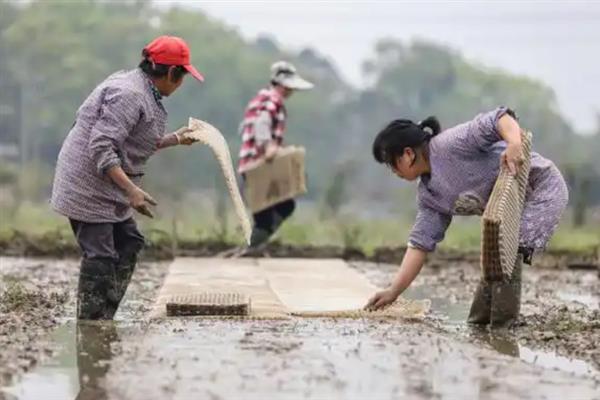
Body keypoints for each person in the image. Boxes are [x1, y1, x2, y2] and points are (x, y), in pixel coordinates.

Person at [365, 107, 568, 326]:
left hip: (540, 188)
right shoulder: (429, 195)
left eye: (390, 163)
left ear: (408, 154)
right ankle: (478, 324)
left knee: (507, 252)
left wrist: (514, 144)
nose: (392, 171)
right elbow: (419, 244)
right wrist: (393, 291)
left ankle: (503, 327)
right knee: (496, 255)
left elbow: (500, 118)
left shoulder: (453, 143)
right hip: (508, 212)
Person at [51, 36, 203, 320]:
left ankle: (105, 315)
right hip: (87, 184)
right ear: (171, 73)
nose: (181, 84)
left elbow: (132, 138)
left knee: (130, 241)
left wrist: (175, 139)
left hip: (108, 181)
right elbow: (101, 145)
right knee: (101, 255)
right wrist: (132, 190)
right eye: (182, 76)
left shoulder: (143, 89)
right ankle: (91, 324)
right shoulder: (130, 94)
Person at [237, 61, 313, 249]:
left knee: (281, 206)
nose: (290, 91)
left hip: (251, 164)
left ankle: (254, 243)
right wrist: (268, 147)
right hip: (260, 164)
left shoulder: (259, 99)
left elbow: (246, 127)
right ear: (279, 83)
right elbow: (261, 124)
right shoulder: (273, 101)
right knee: (274, 210)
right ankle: (251, 246)